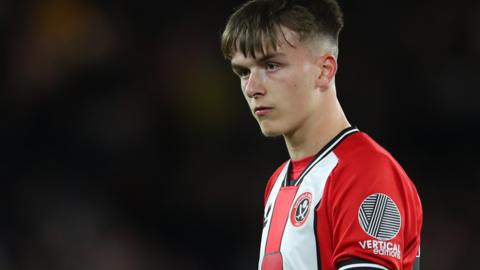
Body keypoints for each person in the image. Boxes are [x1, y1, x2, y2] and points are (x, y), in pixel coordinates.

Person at [220, 0, 422, 269]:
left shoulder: (365, 172)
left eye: (271, 66)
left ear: (324, 70)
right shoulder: (278, 181)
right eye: (244, 72)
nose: (252, 88)